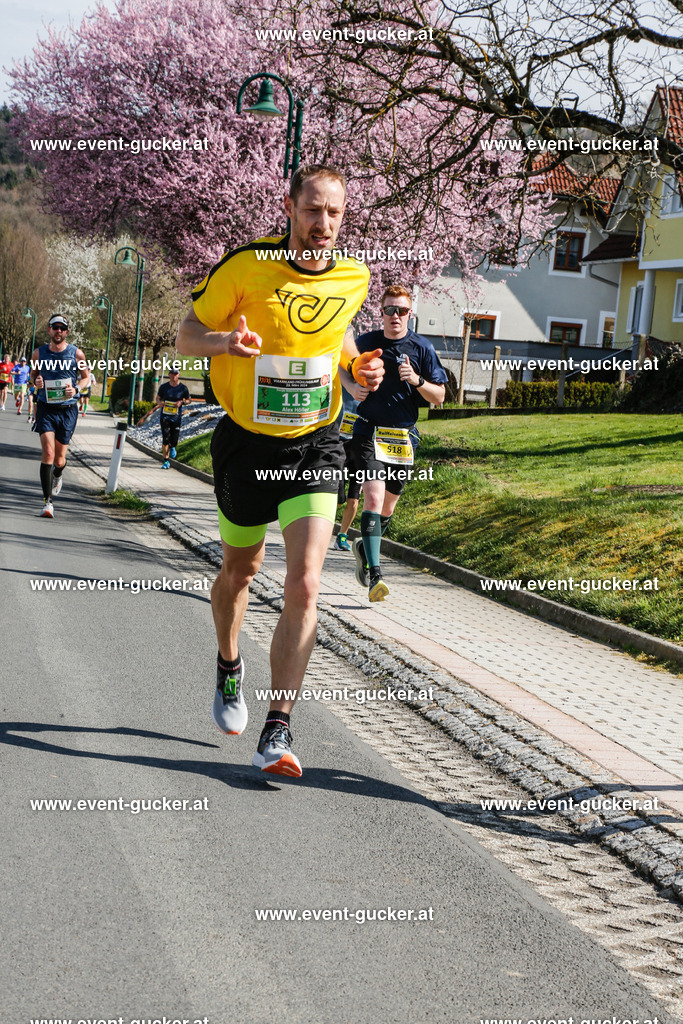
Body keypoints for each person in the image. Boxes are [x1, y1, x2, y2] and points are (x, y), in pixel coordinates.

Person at [175, 163, 383, 778]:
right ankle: (228, 663)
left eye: (336, 214)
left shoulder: (354, 275)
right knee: (240, 571)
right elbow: (186, 334)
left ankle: (279, 725)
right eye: (313, 210)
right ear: (290, 207)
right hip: (245, 444)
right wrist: (224, 345)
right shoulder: (246, 266)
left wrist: (358, 373)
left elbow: (338, 340)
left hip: (315, 445)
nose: (324, 224)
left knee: (307, 584)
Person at [348, 284, 447, 601]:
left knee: (387, 509)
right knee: (373, 501)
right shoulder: (367, 342)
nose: (395, 316)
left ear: (409, 313)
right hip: (368, 431)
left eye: (401, 310)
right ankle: (375, 574)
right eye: (389, 309)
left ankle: (365, 545)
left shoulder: (421, 348)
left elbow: (441, 396)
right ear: (382, 313)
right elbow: (339, 365)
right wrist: (352, 387)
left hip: (403, 438)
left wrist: (417, 380)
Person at [30, 314, 89, 518]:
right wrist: (35, 381)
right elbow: (33, 375)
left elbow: (85, 378)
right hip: (46, 407)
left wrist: (77, 389)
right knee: (48, 452)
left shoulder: (76, 354)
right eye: (55, 327)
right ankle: (47, 503)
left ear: (67, 332)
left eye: (62, 328)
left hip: (67, 409)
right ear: (49, 330)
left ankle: (58, 474)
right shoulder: (39, 353)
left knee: (59, 459)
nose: (58, 331)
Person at [333, 378, 367, 550]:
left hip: (361, 446)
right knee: (338, 498)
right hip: (339, 443)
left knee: (354, 500)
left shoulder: (372, 385)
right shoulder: (342, 378)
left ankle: (342, 536)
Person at [153, 368, 191, 468]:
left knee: (174, 439)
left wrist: (181, 402)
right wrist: (160, 403)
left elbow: (189, 400)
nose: (174, 376)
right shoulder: (164, 387)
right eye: (172, 374)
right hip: (165, 416)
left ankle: (172, 446)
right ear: (169, 374)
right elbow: (158, 398)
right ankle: (166, 461)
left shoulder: (183, 388)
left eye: (176, 374)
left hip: (176, 417)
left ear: (178, 375)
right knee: (165, 438)